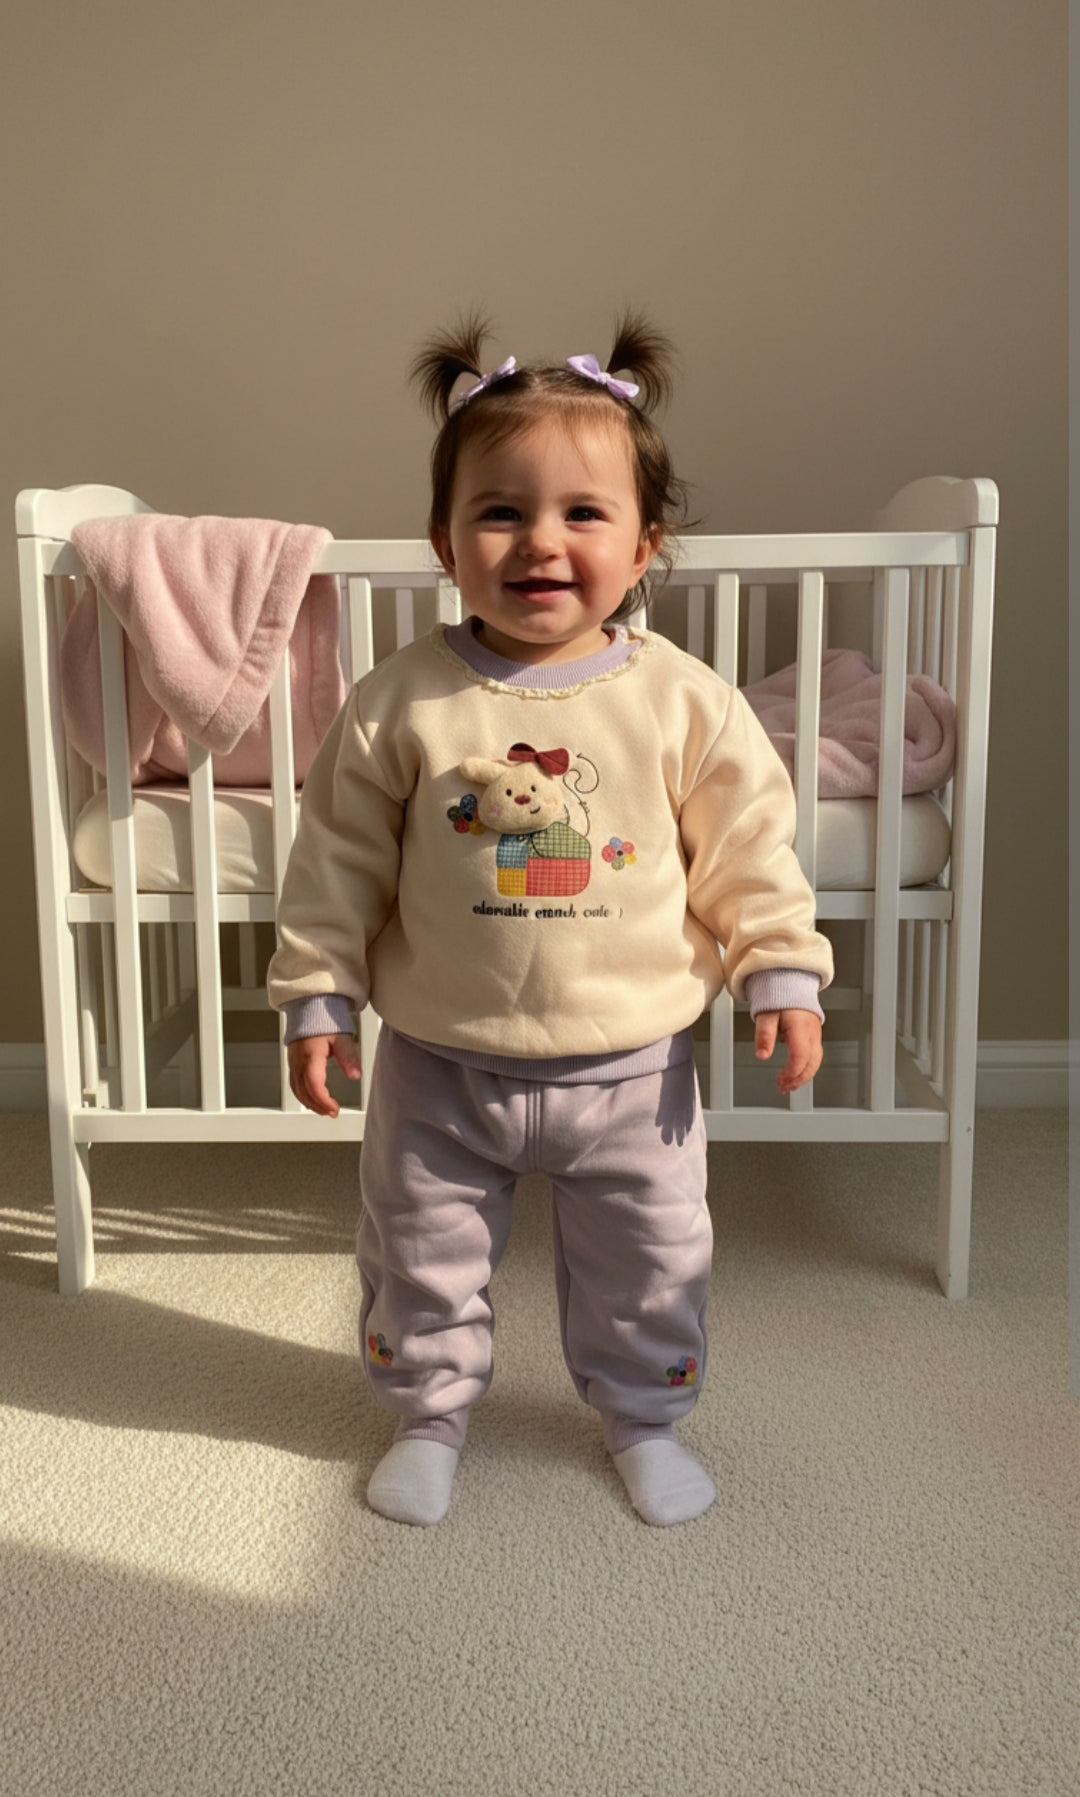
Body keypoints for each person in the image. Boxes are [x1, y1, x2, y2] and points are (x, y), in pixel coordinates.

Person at [267, 315, 834, 1528]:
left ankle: (642, 1417)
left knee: (651, 1262)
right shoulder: (399, 702)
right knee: (418, 1256)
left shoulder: (683, 700)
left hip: (634, 1069)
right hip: (437, 1060)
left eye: (584, 513)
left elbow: (748, 850)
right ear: (443, 543)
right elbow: (336, 863)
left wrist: (779, 967)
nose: (541, 543)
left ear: (645, 547)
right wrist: (316, 993)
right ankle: (427, 1413)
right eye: (500, 512)